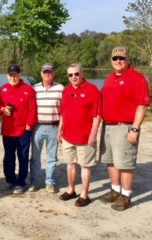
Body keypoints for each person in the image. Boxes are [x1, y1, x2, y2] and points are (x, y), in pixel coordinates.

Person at [99, 46, 150, 211]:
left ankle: (126, 196)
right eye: (115, 58)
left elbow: (142, 105)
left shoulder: (137, 78)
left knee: (126, 163)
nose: (118, 61)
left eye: (122, 58)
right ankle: (115, 191)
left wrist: (135, 129)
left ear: (129, 60)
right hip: (108, 126)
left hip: (125, 126)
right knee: (111, 161)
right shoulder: (109, 79)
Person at [57, 63, 101, 207]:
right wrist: (59, 130)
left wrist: (93, 135)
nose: (74, 77)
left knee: (85, 166)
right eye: (70, 75)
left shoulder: (92, 89)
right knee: (70, 164)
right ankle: (71, 190)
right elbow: (63, 113)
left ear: (82, 74)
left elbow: (97, 115)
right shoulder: (67, 90)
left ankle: (84, 194)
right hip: (68, 136)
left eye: (76, 74)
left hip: (85, 137)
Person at [0, 64, 37, 194]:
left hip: (23, 130)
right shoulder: (3, 89)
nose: (13, 77)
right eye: (11, 75)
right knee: (8, 157)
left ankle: (20, 182)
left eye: (15, 75)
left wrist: (29, 125)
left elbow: (33, 109)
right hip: (8, 130)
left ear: (20, 75)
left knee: (23, 157)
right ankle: (10, 180)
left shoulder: (28, 89)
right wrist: (2, 109)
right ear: (7, 76)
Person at [29, 63, 64, 193]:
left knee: (52, 157)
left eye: (49, 72)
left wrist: (61, 128)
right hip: (37, 126)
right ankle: (34, 182)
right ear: (41, 74)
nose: (47, 74)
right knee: (35, 157)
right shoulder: (34, 88)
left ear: (54, 73)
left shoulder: (60, 88)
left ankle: (50, 182)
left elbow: (64, 111)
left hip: (53, 126)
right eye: (45, 72)